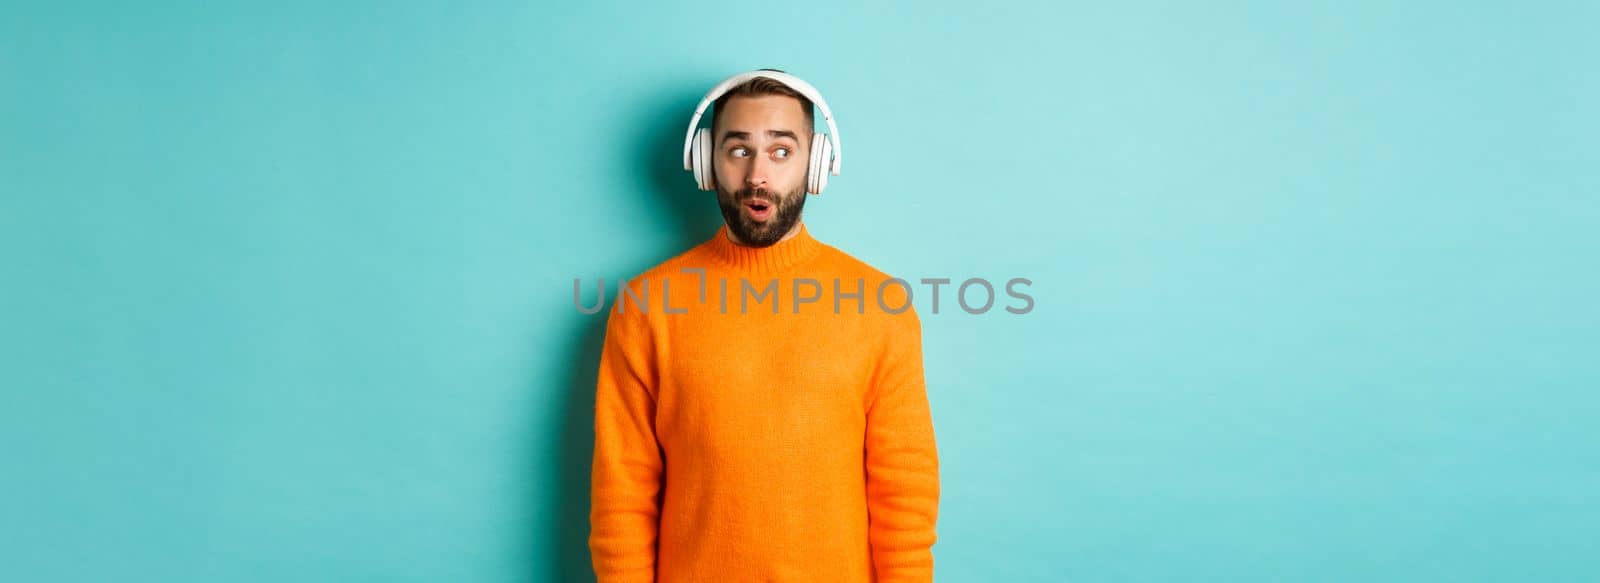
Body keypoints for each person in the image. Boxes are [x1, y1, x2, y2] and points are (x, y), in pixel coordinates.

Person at [589, 69, 940, 583]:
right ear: (706, 161)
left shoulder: (881, 306)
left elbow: (904, 490)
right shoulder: (646, 306)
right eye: (738, 150)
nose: (758, 175)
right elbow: (623, 493)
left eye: (781, 151)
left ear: (815, 163)